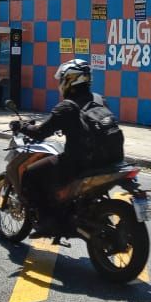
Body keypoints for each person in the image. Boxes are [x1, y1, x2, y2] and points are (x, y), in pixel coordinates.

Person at [19, 58, 125, 235]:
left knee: (30, 174)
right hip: (111, 160)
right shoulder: (100, 99)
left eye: (62, 79)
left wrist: (22, 126)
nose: (60, 83)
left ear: (70, 80)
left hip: (80, 163)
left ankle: (47, 221)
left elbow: (39, 133)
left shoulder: (67, 107)